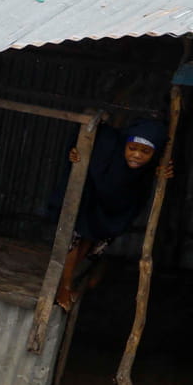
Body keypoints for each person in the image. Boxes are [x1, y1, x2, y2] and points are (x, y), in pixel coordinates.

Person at [56, 119, 172, 311]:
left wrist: (160, 170)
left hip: (115, 208)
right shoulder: (107, 150)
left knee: (92, 240)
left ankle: (79, 274)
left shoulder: (154, 166)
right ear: (125, 145)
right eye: (132, 148)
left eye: (145, 152)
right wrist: (76, 152)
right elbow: (86, 137)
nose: (136, 155)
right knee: (77, 234)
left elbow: (160, 169)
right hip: (92, 196)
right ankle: (64, 286)